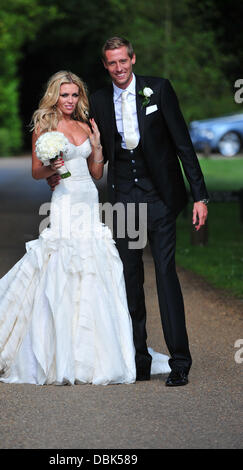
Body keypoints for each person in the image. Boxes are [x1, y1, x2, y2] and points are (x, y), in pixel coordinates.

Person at [0, 70, 170, 385]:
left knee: (97, 267)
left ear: (80, 97)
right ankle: (57, 351)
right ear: (55, 96)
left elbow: (94, 172)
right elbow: (37, 172)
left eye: (74, 95)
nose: (69, 100)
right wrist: (55, 166)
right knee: (62, 264)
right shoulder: (45, 126)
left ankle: (95, 352)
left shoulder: (86, 124)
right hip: (64, 202)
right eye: (64, 95)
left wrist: (98, 148)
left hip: (89, 200)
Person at [48, 38, 209, 387]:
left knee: (166, 276)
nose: (119, 68)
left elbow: (183, 143)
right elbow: (70, 134)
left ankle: (180, 361)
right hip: (125, 203)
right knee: (131, 279)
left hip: (160, 199)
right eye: (112, 63)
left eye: (123, 61)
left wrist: (200, 196)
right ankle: (139, 359)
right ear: (105, 66)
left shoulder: (159, 90)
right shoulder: (101, 102)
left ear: (133, 59)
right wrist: (55, 172)